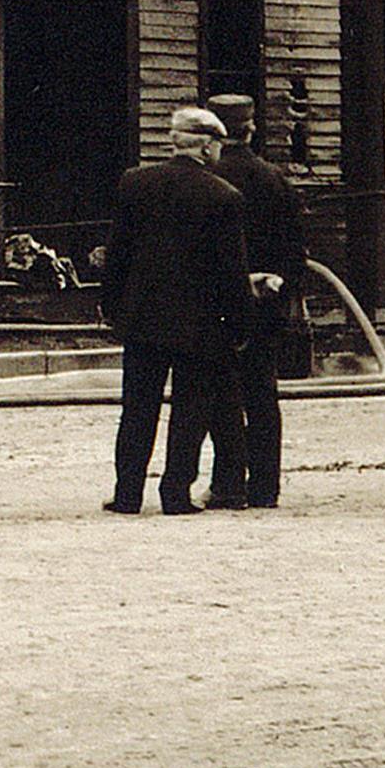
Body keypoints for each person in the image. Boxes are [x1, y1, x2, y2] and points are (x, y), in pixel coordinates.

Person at [103, 106, 247, 516]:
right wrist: (238, 323)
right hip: (198, 324)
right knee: (190, 411)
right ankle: (175, 492)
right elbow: (231, 270)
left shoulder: (135, 183)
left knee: (137, 409)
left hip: (142, 318)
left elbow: (118, 254)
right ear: (206, 146)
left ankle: (127, 493)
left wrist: (113, 307)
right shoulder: (223, 197)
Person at [205, 92, 304, 510]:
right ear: (252, 129)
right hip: (266, 305)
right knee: (263, 394)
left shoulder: (209, 180)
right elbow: (296, 250)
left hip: (217, 305)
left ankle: (228, 485)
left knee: (222, 395)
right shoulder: (274, 179)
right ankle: (266, 487)